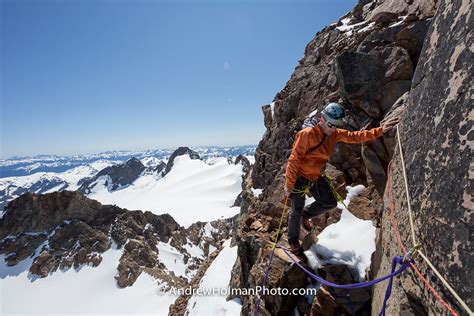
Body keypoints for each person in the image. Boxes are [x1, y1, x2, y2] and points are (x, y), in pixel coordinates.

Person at [284, 102, 399, 254]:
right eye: (331, 125)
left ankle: (306, 215)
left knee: (329, 202)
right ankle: (293, 240)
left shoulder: (334, 133)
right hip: (300, 177)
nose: (333, 129)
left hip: (316, 176)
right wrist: (289, 184)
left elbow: (355, 137)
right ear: (322, 119)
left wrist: (380, 131)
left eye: (336, 126)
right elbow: (294, 160)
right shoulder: (306, 135)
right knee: (295, 210)